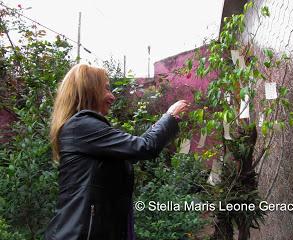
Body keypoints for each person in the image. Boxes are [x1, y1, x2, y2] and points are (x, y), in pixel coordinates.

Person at [45, 63, 189, 240]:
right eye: (106, 88)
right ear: (89, 90)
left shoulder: (83, 128)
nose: (112, 97)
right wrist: (169, 117)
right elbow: (144, 147)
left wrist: (160, 126)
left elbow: (132, 151)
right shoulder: (81, 125)